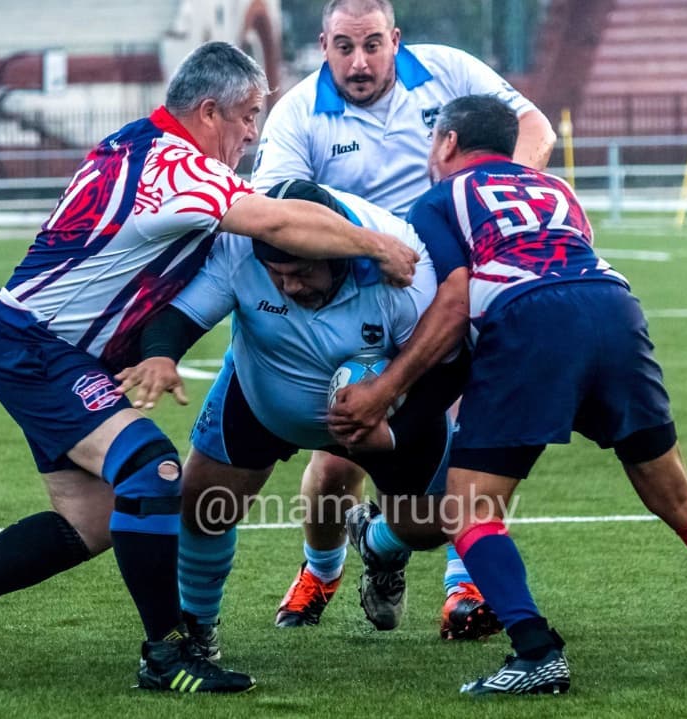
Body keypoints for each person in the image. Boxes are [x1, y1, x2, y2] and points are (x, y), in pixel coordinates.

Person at [0, 42, 417, 694]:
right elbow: (275, 217)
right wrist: (377, 245)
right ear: (209, 109)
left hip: (44, 345)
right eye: (249, 115)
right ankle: (167, 654)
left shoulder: (140, 144)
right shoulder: (176, 167)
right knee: (155, 471)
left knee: (97, 518)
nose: (254, 131)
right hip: (43, 348)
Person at [328, 94, 687, 696]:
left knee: (467, 508)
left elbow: (454, 302)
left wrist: (384, 390)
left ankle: (536, 654)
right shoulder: (556, 190)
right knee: (676, 494)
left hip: (531, 318)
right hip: (615, 308)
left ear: (447, 143)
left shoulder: (438, 198)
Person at [252, 0, 558, 639]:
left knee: (468, 439)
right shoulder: (298, 112)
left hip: (451, 290)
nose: (358, 62)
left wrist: (492, 202)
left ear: (395, 38)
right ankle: (324, 567)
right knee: (340, 458)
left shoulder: (449, 70)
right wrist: (368, 244)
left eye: (371, 45)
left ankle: (462, 584)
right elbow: (280, 209)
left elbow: (534, 128)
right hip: (358, 296)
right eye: (343, 47)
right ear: (324, 43)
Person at [116, 180, 467, 668]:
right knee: (203, 505)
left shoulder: (403, 268)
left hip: (381, 410)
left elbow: (447, 364)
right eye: (276, 274)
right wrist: (160, 356)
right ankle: (197, 629)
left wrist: (393, 426)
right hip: (263, 396)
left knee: (434, 525)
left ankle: (375, 540)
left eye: (302, 272)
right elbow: (181, 315)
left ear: (340, 255)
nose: (289, 286)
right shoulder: (241, 248)